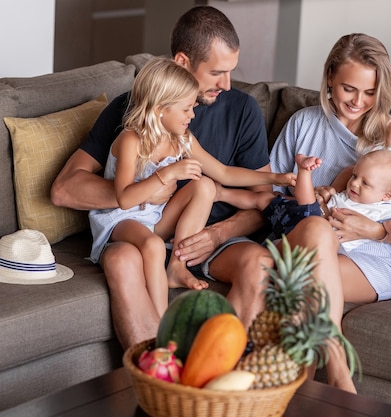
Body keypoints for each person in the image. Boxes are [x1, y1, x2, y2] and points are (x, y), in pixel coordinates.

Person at [51, 6, 279, 351]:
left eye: (231, 72)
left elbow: (262, 201)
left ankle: (214, 377)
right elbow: (65, 189)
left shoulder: (243, 110)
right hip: (142, 229)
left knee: (260, 265)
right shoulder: (133, 109)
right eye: (217, 72)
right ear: (183, 62)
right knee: (120, 258)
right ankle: (159, 372)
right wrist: (149, 190)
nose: (227, 84)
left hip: (209, 241)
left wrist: (217, 233)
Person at [268, 33, 391, 392]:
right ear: (329, 78)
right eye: (348, 89)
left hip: (372, 259)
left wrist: (372, 230)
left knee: (301, 284)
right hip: (310, 242)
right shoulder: (303, 123)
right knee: (305, 271)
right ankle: (329, 381)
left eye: (370, 92)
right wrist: (316, 200)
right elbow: (272, 193)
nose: (358, 102)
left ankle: (299, 391)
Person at [88, 58, 295, 317]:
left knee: (205, 185)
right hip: (120, 220)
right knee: (151, 245)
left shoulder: (181, 138)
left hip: (152, 218)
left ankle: (177, 265)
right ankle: (161, 323)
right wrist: (167, 174)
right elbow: (124, 199)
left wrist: (275, 179)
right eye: (186, 109)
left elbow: (224, 173)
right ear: (160, 109)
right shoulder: (131, 140)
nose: (193, 115)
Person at [220, 149, 391, 250]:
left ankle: (304, 171)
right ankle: (221, 193)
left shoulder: (385, 211)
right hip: (305, 216)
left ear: (387, 195)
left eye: (365, 183)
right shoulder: (347, 194)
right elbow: (320, 203)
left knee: (308, 212)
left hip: (316, 237)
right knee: (265, 199)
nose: (354, 184)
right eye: (355, 176)